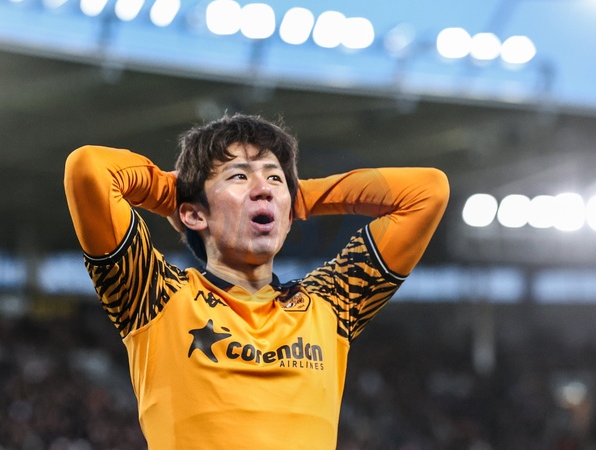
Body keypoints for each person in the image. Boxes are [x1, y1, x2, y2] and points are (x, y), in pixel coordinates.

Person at [63, 113, 449, 449]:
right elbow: (89, 169)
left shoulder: (330, 303)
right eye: (239, 176)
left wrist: (301, 197)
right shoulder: (156, 297)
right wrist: (173, 195)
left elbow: (427, 192)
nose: (263, 188)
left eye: (274, 177)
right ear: (195, 215)